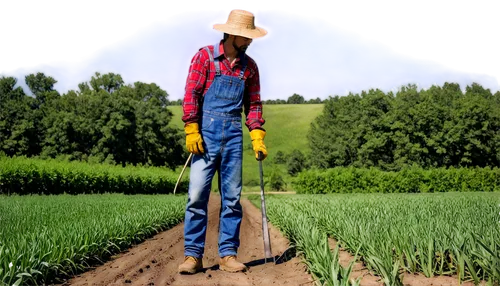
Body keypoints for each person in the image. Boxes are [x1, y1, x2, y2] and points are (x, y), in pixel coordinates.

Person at [178, 8, 269, 274]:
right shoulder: (204, 57)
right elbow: (191, 93)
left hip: (232, 136)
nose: (249, 42)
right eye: (246, 37)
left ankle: (228, 255)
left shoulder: (250, 67)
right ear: (232, 34)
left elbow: (254, 105)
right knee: (197, 196)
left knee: (231, 199)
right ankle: (193, 256)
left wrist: (256, 135)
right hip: (204, 136)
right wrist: (191, 128)